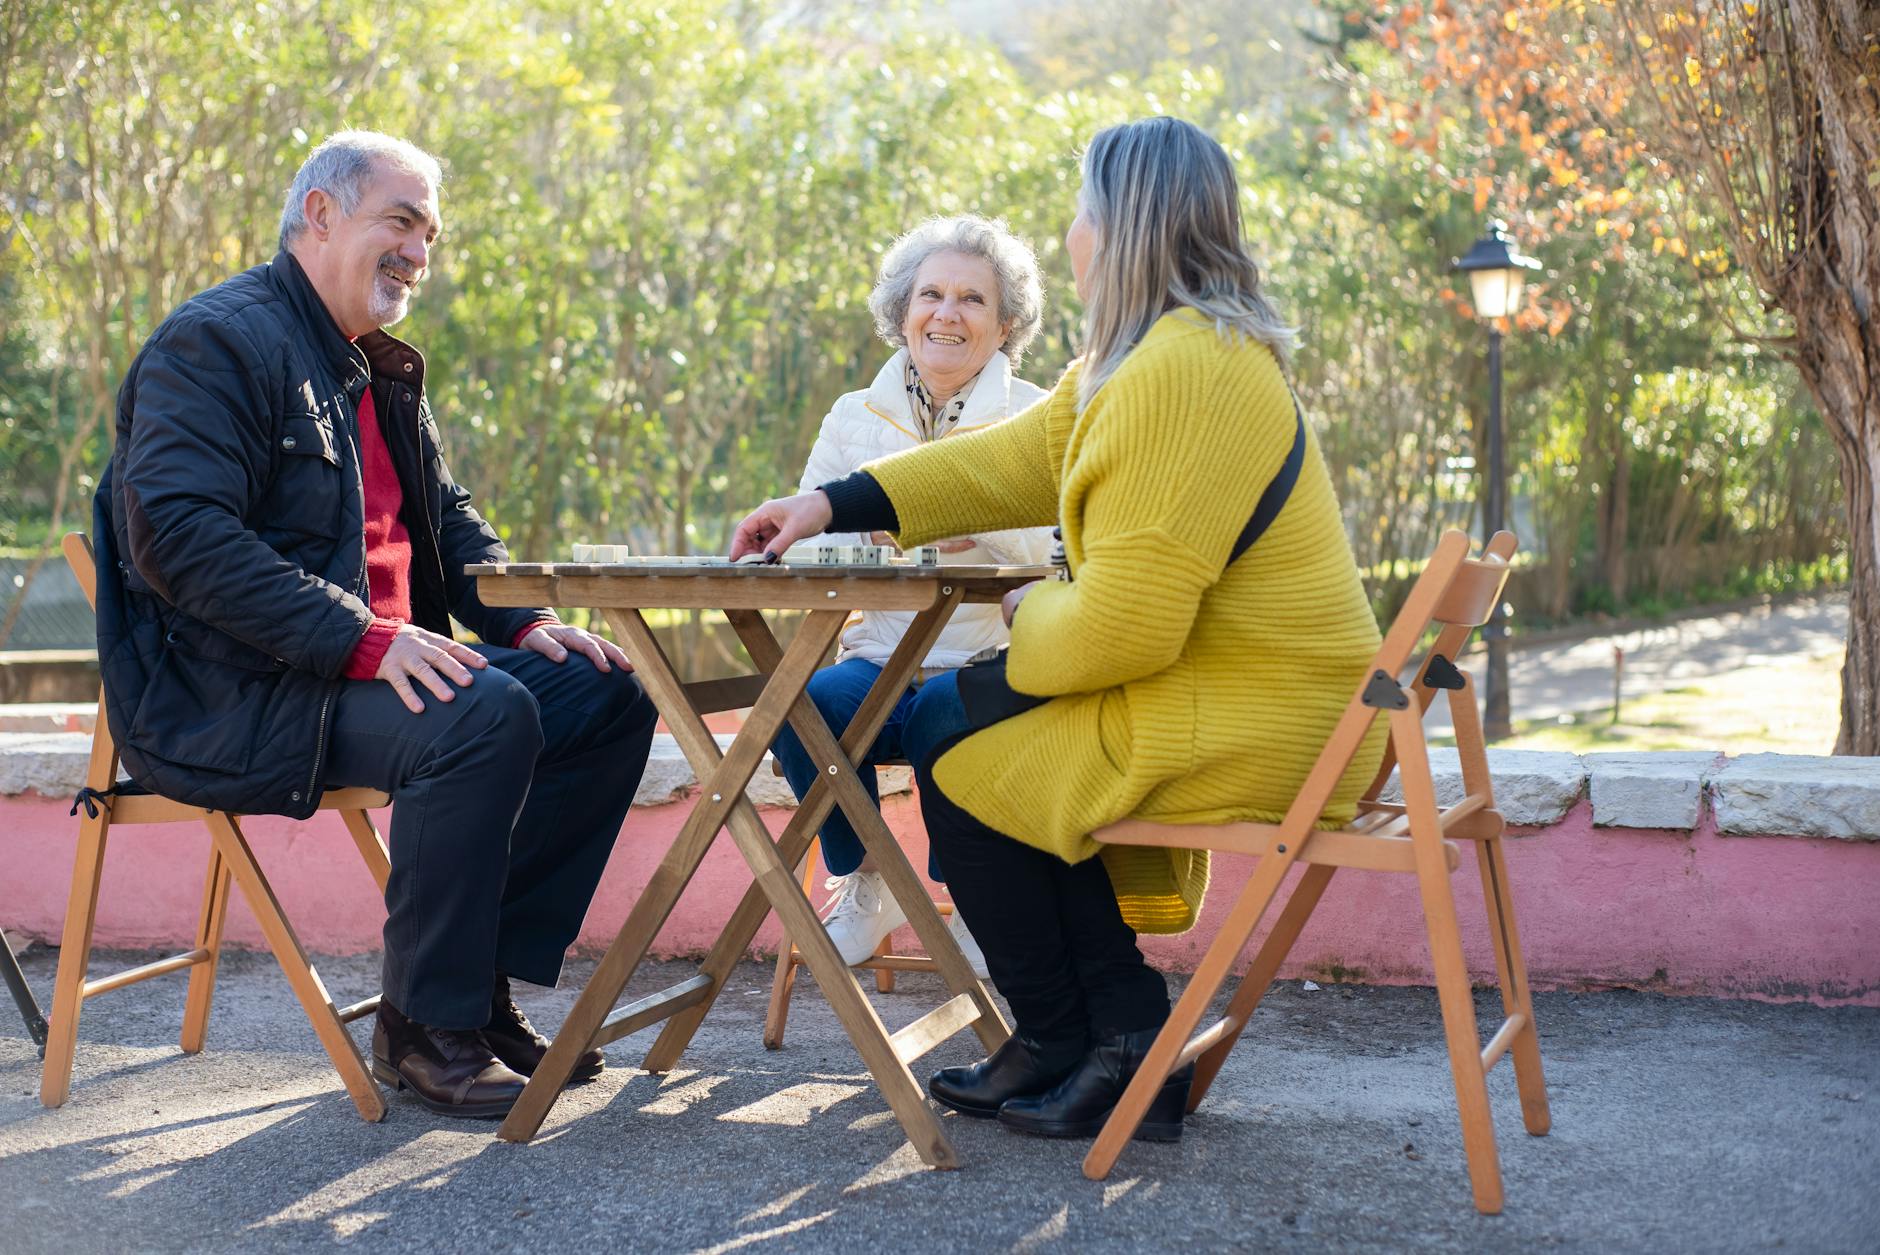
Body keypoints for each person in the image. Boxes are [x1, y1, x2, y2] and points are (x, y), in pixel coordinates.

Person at [730, 117, 1385, 1144]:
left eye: (1083, 210)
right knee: (954, 726)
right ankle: (1070, 1039)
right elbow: (1002, 463)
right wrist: (827, 503)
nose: (1071, 231)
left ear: (1123, 228)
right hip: (1235, 696)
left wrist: (1029, 608)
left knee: (957, 739)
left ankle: (1113, 1043)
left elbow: (1123, 626)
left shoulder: (1186, 370)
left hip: (1271, 720)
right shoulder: (1141, 357)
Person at [93, 131, 657, 1119]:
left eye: (428, 235)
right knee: (480, 716)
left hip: (371, 666)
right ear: (319, 213)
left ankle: (474, 994)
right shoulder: (218, 341)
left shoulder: (374, 367)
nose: (418, 252)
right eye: (399, 221)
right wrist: (367, 638)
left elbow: (444, 519)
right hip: (244, 687)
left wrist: (524, 623)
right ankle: (421, 1027)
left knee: (606, 691)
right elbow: (177, 538)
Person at [770, 215, 1053, 977]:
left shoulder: (1040, 415)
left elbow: (1066, 552)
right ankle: (869, 880)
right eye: (931, 294)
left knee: (942, 714)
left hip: (995, 659)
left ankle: (979, 897)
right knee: (800, 706)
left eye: (972, 299)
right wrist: (866, 534)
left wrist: (968, 514)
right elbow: (804, 541)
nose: (947, 314)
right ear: (902, 312)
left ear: (1006, 325)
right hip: (878, 656)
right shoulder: (849, 416)